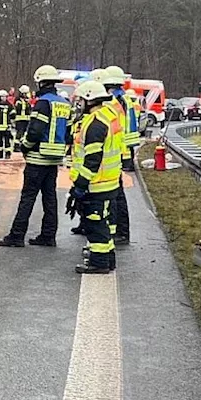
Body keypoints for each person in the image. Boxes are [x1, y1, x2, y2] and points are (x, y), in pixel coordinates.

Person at [0, 65, 72, 248]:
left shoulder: (43, 103)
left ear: (41, 82)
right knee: (50, 198)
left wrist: (25, 146)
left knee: (28, 197)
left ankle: (16, 236)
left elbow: (35, 131)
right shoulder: (64, 103)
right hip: (55, 158)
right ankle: (48, 235)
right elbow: (68, 132)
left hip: (38, 157)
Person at [66, 81, 124, 274]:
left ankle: (99, 263)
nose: (79, 103)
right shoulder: (109, 115)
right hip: (110, 181)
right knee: (104, 222)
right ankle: (108, 259)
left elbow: (92, 159)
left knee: (95, 223)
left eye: (81, 100)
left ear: (89, 99)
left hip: (97, 184)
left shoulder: (94, 123)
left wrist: (80, 186)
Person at [100, 66, 138, 245]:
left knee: (115, 195)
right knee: (118, 194)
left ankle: (119, 232)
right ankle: (121, 231)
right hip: (124, 149)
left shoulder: (115, 100)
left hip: (116, 150)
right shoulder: (125, 98)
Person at [0, 90, 13, 160]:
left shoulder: (9, 105)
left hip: (6, 127)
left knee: (7, 142)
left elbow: (13, 114)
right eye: (2, 96)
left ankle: (8, 154)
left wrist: (10, 124)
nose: (4, 98)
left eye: (5, 96)